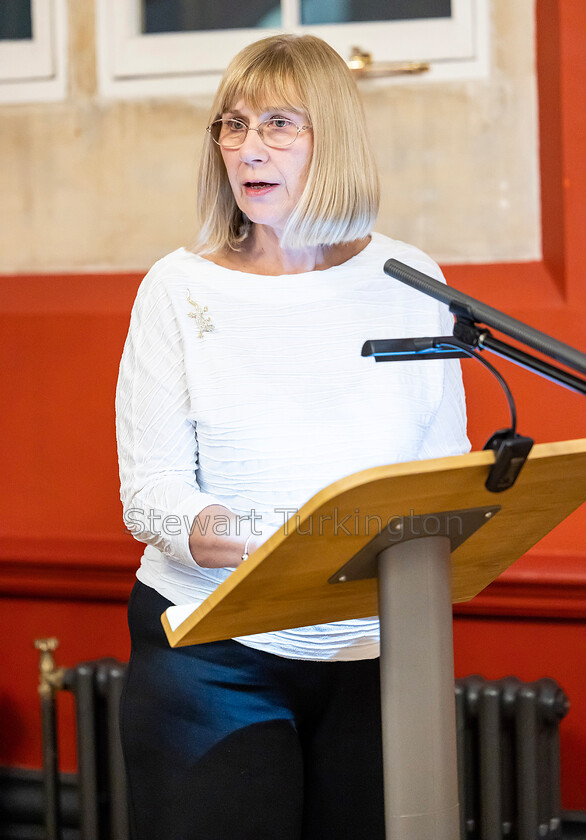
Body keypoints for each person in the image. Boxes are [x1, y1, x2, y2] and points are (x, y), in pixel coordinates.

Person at [116, 33, 469, 840]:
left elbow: (439, 473)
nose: (248, 148)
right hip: (212, 658)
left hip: (380, 654)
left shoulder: (411, 281)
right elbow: (152, 493)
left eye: (279, 124)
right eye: (231, 126)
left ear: (332, 139)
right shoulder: (178, 289)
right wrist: (272, 544)